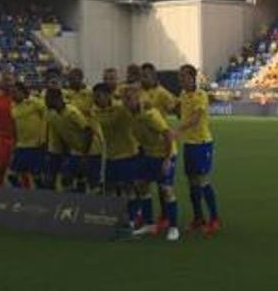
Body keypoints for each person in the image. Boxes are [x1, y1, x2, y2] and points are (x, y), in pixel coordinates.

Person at [126, 88, 180, 241]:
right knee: (140, 184)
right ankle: (149, 223)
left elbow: (168, 134)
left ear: (138, 99)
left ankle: (173, 227)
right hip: (149, 155)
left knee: (166, 190)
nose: (126, 102)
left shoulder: (150, 115)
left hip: (164, 154)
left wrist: (167, 159)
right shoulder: (132, 116)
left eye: (129, 99)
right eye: (125, 99)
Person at [92, 83, 145, 233]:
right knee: (110, 189)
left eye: (99, 96)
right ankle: (114, 218)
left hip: (127, 154)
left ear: (109, 95)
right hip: (109, 156)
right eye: (94, 96)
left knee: (129, 189)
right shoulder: (95, 111)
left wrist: (132, 97)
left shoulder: (121, 108)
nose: (96, 99)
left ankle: (134, 218)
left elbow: (137, 112)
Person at [173, 65, 221, 235]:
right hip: (189, 144)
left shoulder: (201, 95)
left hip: (202, 143)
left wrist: (177, 130)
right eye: (180, 77)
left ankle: (214, 218)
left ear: (193, 78)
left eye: (184, 77)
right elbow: (182, 113)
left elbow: (195, 119)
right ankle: (198, 218)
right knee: (192, 181)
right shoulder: (183, 95)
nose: (181, 80)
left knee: (202, 180)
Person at [42, 87, 95, 193]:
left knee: (73, 177)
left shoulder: (72, 112)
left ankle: (79, 199)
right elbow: (59, 132)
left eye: (49, 99)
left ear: (58, 99)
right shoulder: (51, 113)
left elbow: (88, 130)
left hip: (83, 149)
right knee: (62, 178)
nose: (46, 102)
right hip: (71, 149)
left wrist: (85, 153)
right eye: (46, 99)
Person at [62, 68, 101, 191]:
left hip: (92, 143)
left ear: (80, 78)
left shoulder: (90, 94)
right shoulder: (67, 95)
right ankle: (80, 205)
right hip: (75, 143)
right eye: (69, 79)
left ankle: (96, 207)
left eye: (73, 79)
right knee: (76, 177)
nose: (70, 82)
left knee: (93, 180)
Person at [7, 82, 46, 188]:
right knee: (12, 176)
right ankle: (23, 196)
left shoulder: (34, 102)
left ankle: (46, 197)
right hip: (21, 146)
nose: (13, 95)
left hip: (36, 146)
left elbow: (47, 115)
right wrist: (14, 144)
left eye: (15, 92)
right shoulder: (12, 106)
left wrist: (44, 137)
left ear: (22, 91)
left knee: (37, 177)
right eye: (11, 93)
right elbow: (15, 127)